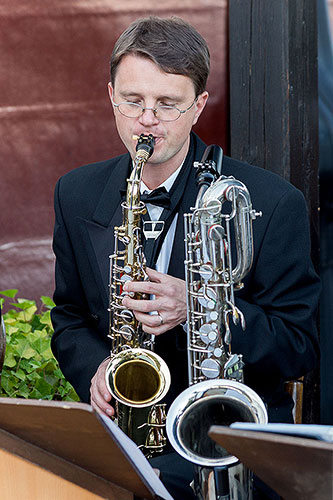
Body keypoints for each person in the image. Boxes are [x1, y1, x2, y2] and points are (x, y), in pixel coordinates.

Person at [51, 16, 320, 499]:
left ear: (198, 107)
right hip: (125, 433)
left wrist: (198, 307)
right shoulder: (76, 192)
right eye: (133, 101)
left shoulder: (272, 200)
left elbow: (299, 344)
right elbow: (70, 317)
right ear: (110, 95)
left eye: (167, 104)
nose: (146, 119)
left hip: (224, 439)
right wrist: (97, 370)